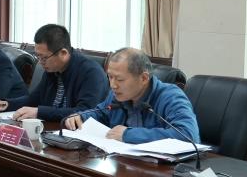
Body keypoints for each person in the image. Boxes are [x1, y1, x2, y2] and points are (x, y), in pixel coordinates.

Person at [63, 48, 200, 144]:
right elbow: (100, 113)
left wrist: (128, 135)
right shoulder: (117, 95)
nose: (113, 85)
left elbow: (188, 135)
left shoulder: (170, 97)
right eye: (110, 77)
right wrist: (80, 117)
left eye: (119, 79)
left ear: (144, 78)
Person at [0, 24, 109, 122]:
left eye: (44, 57)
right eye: (38, 56)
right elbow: (34, 99)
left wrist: (39, 112)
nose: (40, 62)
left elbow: (85, 112)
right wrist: (8, 104)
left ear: (63, 53)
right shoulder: (52, 70)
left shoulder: (91, 73)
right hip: (52, 128)